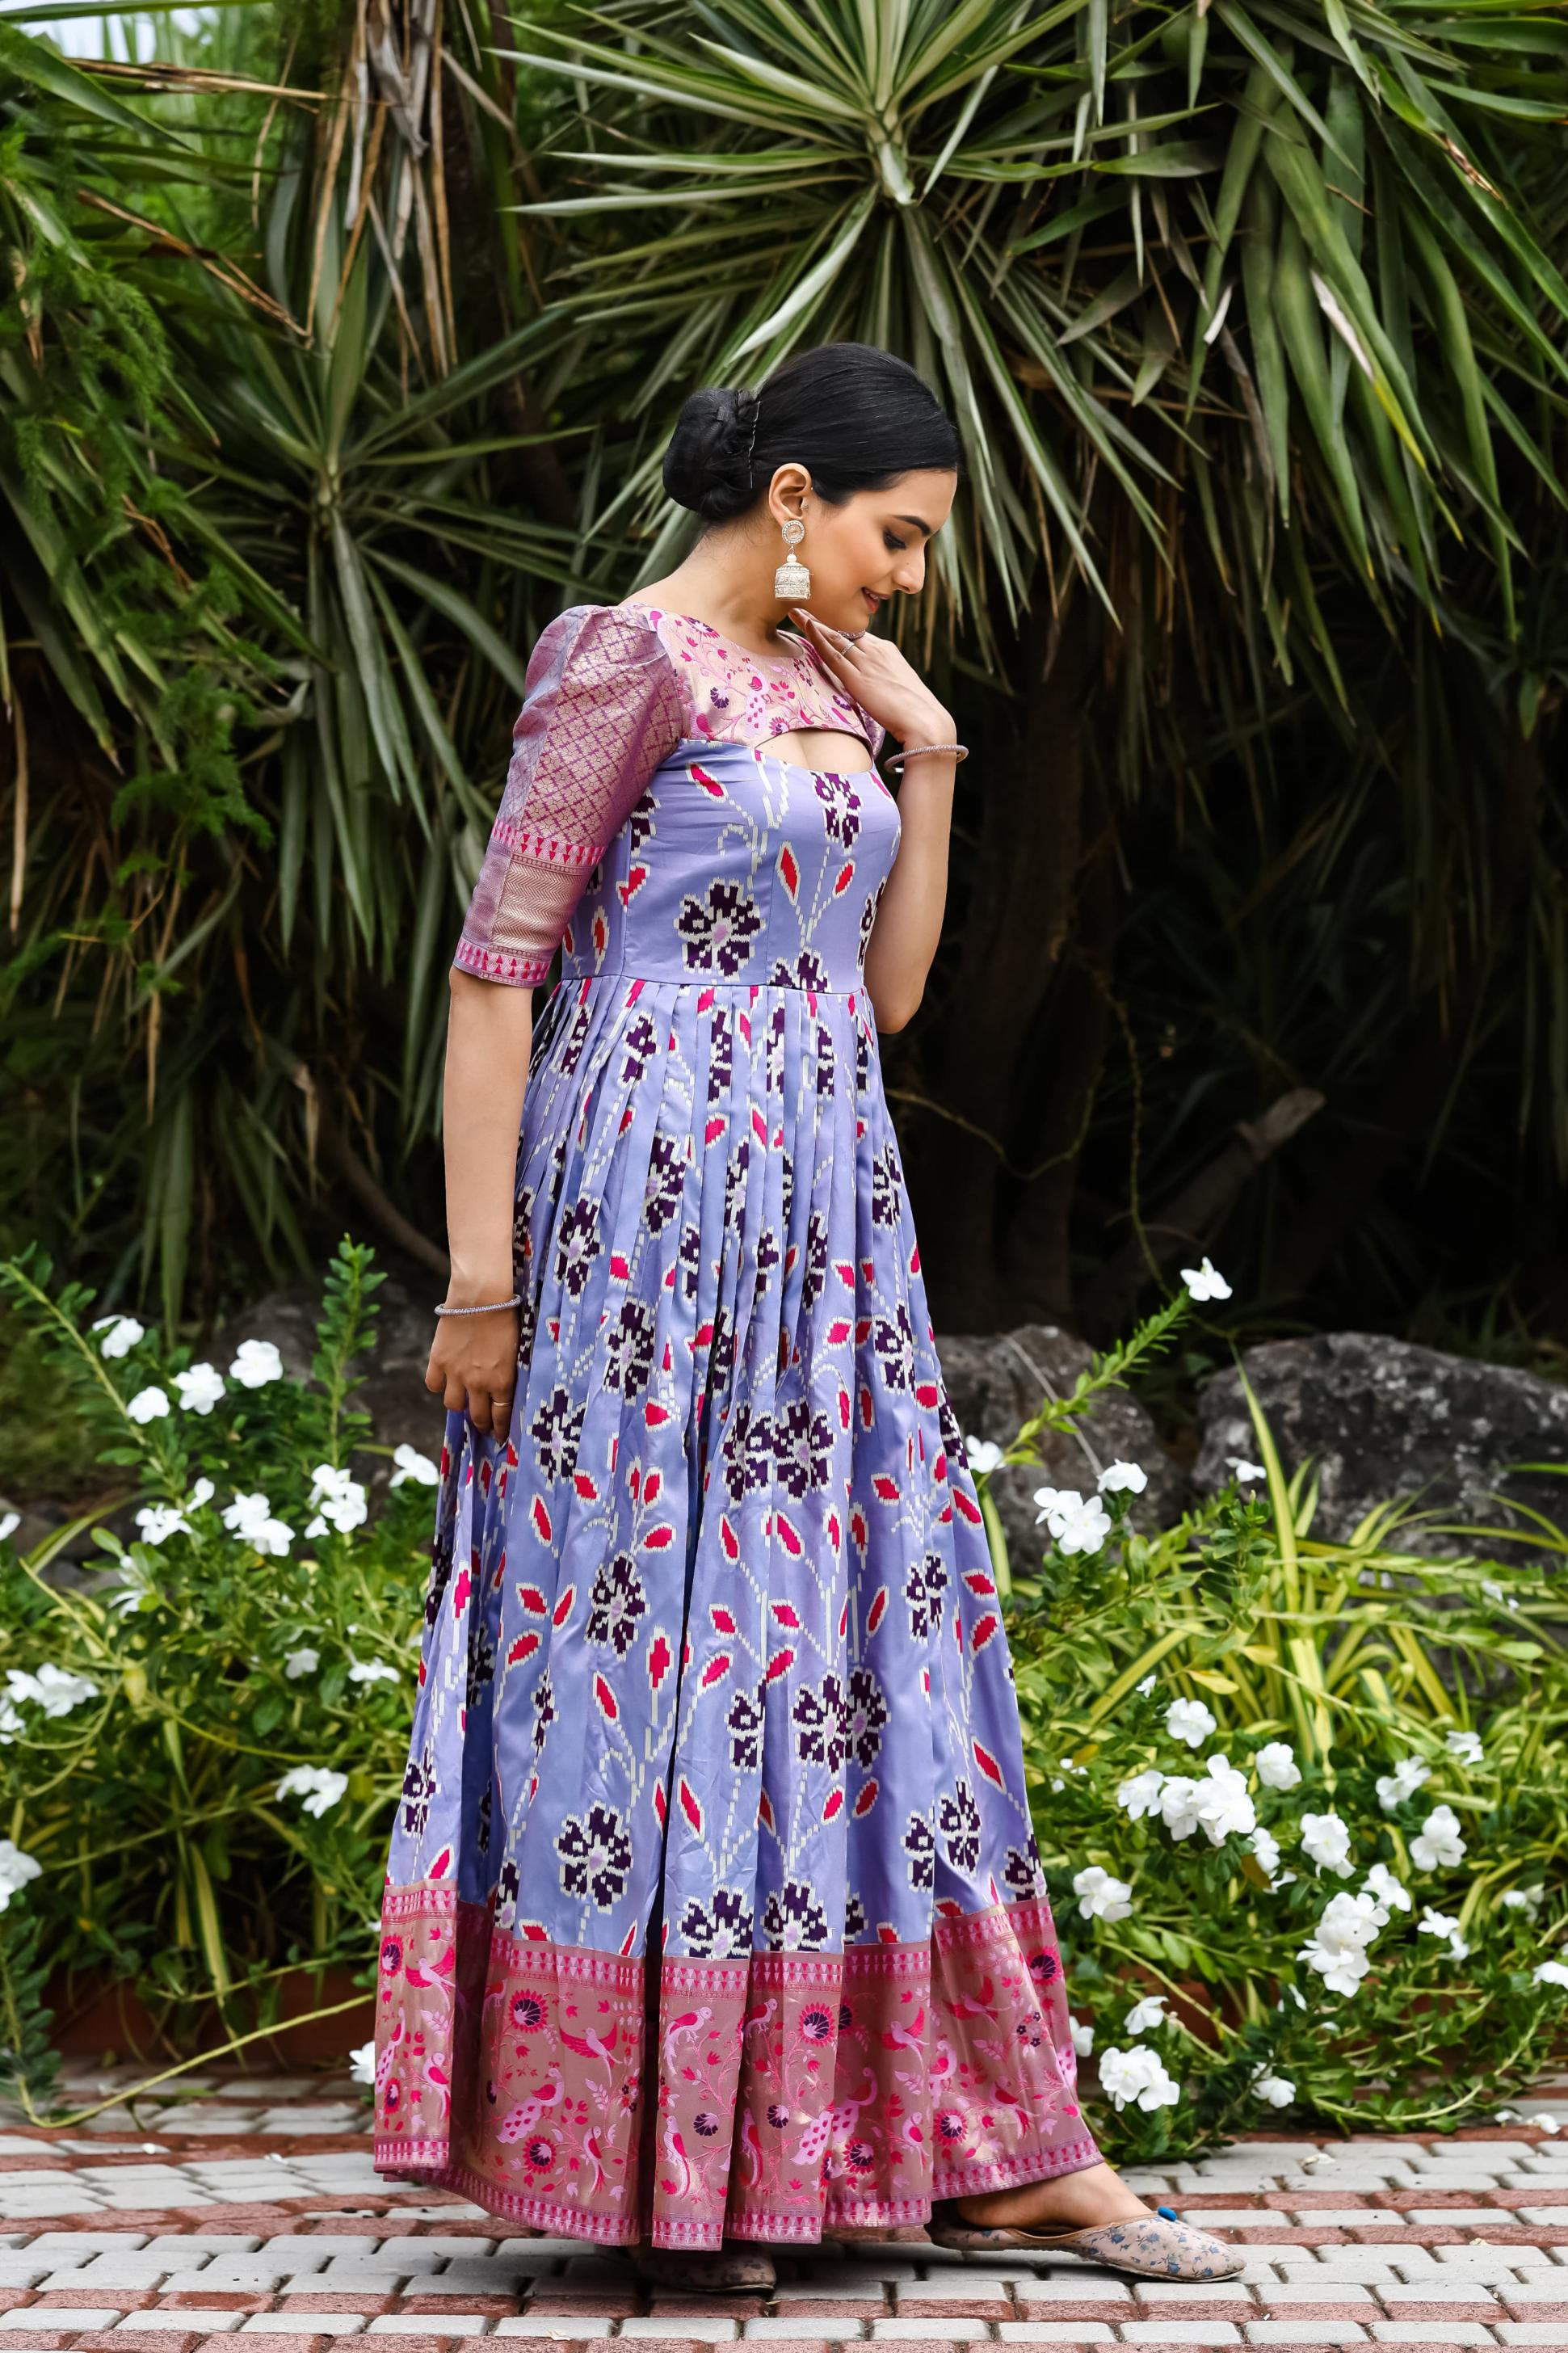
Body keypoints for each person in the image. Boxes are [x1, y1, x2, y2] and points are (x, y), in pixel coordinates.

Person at [370, 341, 1240, 2294]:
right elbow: (495, 976)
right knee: (656, 1643)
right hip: (642, 1228)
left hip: (823, 1224)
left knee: (847, 1642)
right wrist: (482, 1283)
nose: (907, 575)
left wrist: (930, 756)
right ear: (790, 501)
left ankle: (950, 2150)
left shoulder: (835, 691)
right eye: (895, 535)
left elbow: (887, 992)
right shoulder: (623, 664)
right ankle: (657, 2169)